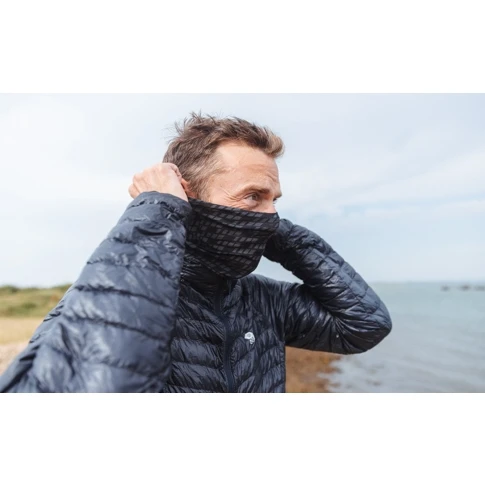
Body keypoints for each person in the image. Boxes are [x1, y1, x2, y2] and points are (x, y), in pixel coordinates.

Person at [0, 113, 392, 393]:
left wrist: (280, 235)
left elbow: (364, 325)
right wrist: (156, 210)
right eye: (253, 196)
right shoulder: (95, 306)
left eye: (274, 200)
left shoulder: (263, 299)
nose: (272, 215)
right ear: (188, 200)